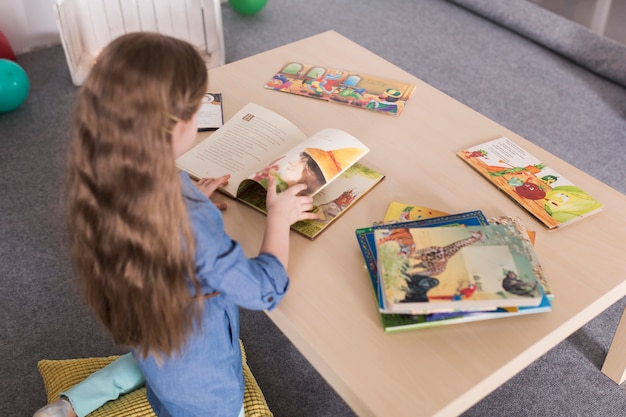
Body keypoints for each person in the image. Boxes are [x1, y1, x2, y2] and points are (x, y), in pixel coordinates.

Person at [39, 31, 320, 417]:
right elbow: (263, 291)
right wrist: (279, 218)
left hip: (157, 346)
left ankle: (68, 406)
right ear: (177, 125)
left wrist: (190, 195)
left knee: (157, 376)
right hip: (205, 389)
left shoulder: (101, 176)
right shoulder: (190, 225)